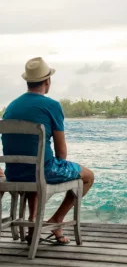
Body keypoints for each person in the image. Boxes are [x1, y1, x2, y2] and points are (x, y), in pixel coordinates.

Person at [1, 57, 94, 244]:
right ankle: (57, 220)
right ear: (47, 81)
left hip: (14, 173)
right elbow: (61, 152)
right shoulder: (52, 106)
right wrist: (61, 165)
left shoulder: (11, 107)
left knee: (35, 167)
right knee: (88, 176)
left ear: (27, 81)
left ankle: (33, 219)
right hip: (41, 171)